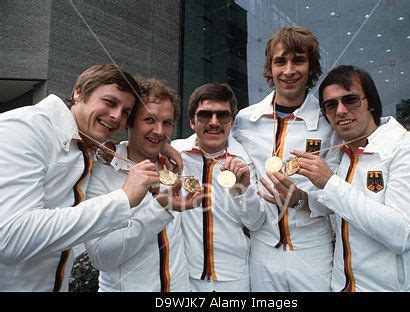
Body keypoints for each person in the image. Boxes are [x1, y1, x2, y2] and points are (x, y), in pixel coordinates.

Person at [0, 65, 169, 291]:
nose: (116, 116)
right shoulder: (24, 128)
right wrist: (122, 199)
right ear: (78, 93)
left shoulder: (84, 145)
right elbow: (11, 238)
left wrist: (161, 146)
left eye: (126, 111)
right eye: (110, 102)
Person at [293, 65, 410, 291]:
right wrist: (297, 197)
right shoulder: (344, 155)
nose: (341, 110)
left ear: (371, 103)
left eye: (351, 100)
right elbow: (343, 207)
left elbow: (403, 234)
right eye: (331, 105)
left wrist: (329, 183)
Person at [231, 26, 338, 291]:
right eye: (280, 61)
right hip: (262, 247)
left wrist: (303, 201)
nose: (289, 71)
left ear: (311, 67)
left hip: (312, 248)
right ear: (270, 68)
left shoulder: (329, 122)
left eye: (298, 60)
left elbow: (341, 193)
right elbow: (210, 145)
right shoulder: (245, 119)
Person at [84, 78, 199, 291]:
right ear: (129, 121)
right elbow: (100, 258)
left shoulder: (174, 166)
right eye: (149, 120)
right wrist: (159, 210)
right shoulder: (102, 173)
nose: (159, 131)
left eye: (167, 123)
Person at [171, 83, 265, 292]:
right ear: (191, 121)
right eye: (205, 115)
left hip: (234, 279)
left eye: (222, 116)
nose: (214, 123)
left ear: (231, 122)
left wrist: (243, 190)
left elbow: (256, 222)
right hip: (184, 277)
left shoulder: (244, 161)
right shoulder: (176, 155)